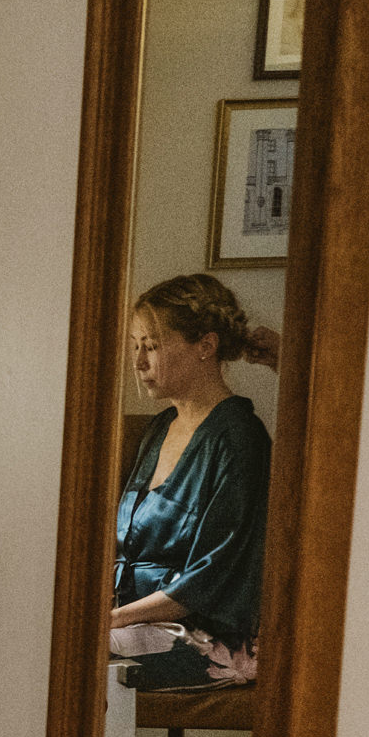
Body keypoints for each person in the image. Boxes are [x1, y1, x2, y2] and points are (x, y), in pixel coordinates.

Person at [112, 274, 277, 691]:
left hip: (203, 635)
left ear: (206, 346)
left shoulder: (239, 438)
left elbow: (208, 580)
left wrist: (110, 620)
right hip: (133, 621)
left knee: (67, 654)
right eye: (136, 346)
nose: (138, 363)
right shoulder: (161, 426)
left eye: (151, 345)